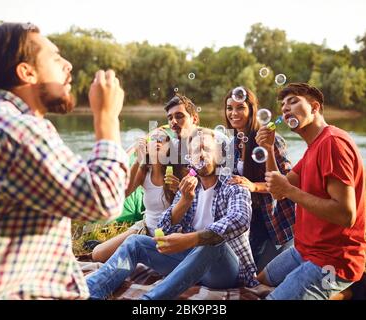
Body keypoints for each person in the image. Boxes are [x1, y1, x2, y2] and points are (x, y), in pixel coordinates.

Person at [0, 23, 128, 299]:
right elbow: (103, 199)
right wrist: (106, 117)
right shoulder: (15, 129)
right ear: (27, 72)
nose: (68, 65)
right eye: (56, 58)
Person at [86, 128, 258, 300]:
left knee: (213, 242)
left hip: (225, 273)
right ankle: (89, 291)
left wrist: (192, 239)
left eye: (206, 148)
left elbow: (240, 219)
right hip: (192, 266)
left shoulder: (234, 185)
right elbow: (162, 229)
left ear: (219, 155)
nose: (201, 154)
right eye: (196, 151)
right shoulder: (189, 188)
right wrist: (184, 202)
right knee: (135, 242)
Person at [256, 83, 366, 300]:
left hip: (333, 261)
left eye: (294, 101)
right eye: (283, 105)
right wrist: (269, 151)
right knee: (256, 284)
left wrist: (289, 190)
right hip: (303, 251)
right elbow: (278, 190)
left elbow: (345, 215)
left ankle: (347, 292)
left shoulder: (332, 143)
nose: (285, 108)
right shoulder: (313, 148)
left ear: (315, 107)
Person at [223, 87, 295, 271]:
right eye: (229, 108)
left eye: (240, 107)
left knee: (266, 275)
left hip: (275, 222)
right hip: (249, 220)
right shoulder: (232, 144)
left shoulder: (270, 140)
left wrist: (253, 186)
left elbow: (287, 184)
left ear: (251, 110)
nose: (233, 113)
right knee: (243, 270)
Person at [91, 126, 181, 262]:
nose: (158, 141)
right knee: (97, 254)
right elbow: (124, 194)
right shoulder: (144, 171)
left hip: (170, 233)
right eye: (153, 138)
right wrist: (139, 160)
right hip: (145, 227)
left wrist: (179, 189)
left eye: (163, 139)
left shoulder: (178, 172)